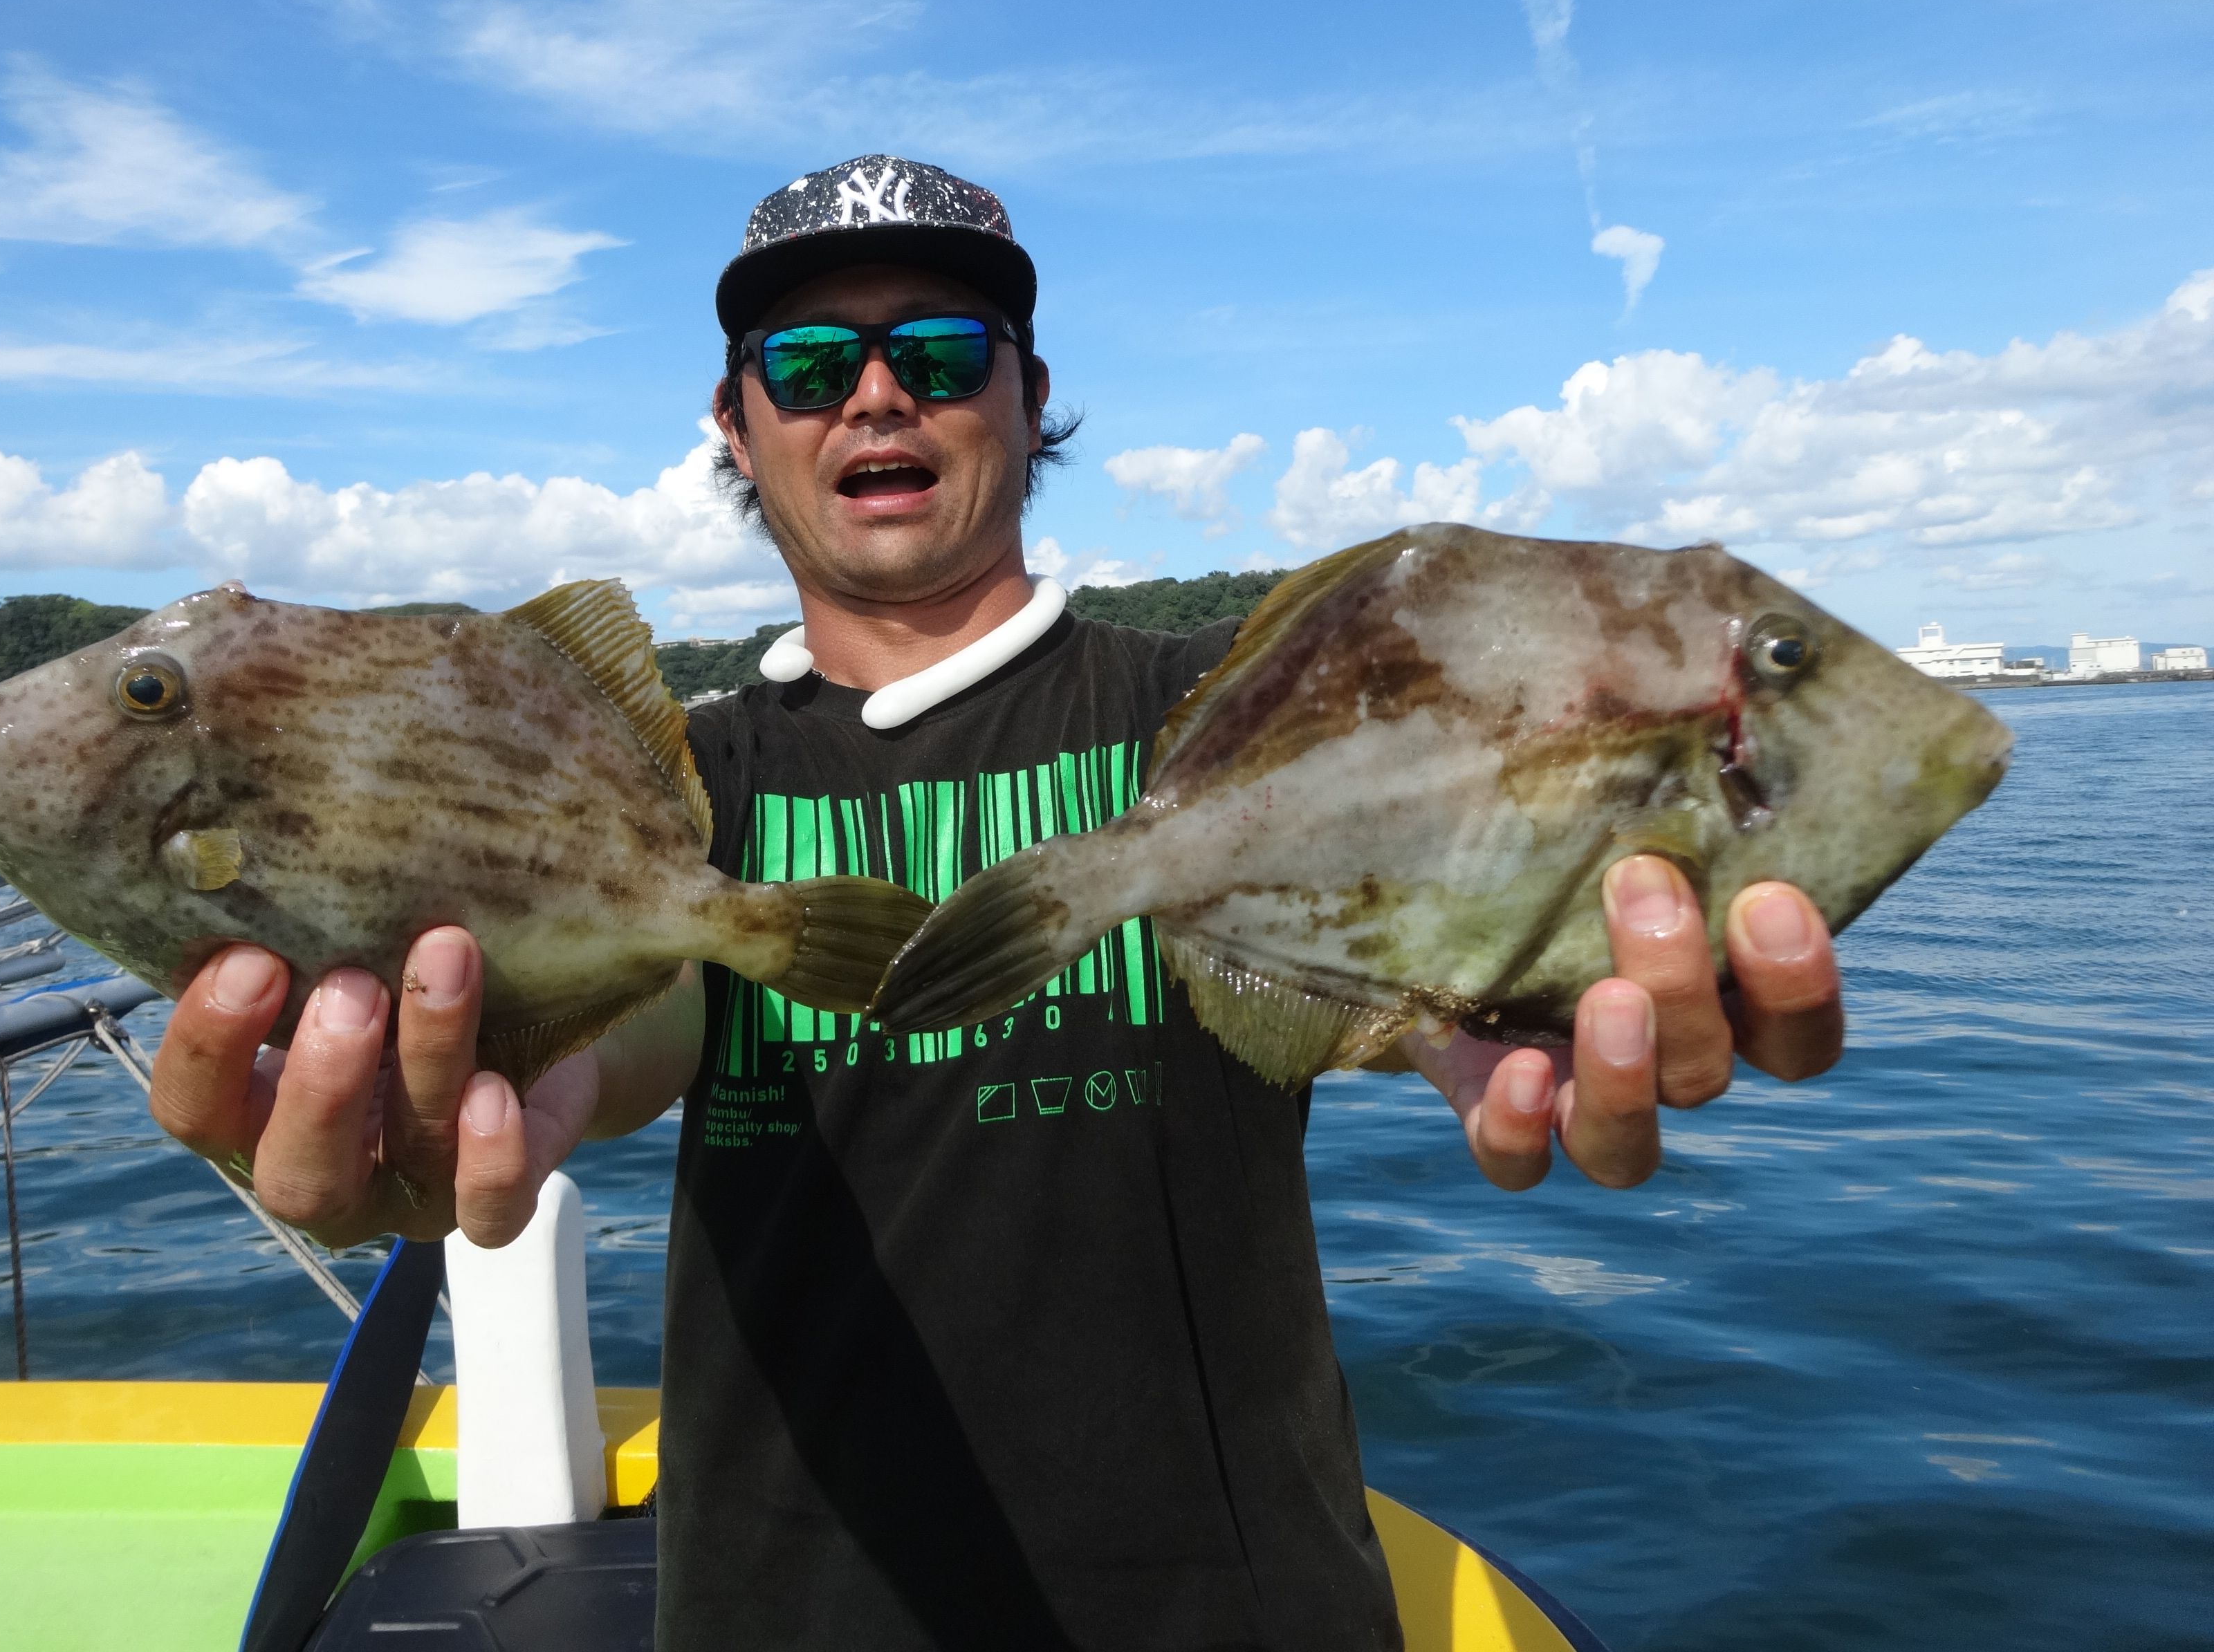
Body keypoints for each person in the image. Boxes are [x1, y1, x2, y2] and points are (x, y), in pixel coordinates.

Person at [148, 156, 1847, 1650]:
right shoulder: (683, 786)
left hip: (1236, 1606)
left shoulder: (1212, 719)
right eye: (809, 363)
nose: (877, 395)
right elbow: (647, 1010)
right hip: (781, 1608)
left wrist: (1489, 993)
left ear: (1029, 397)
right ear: (737, 427)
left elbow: (1391, 884)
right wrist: (512, 1080)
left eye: (943, 353)